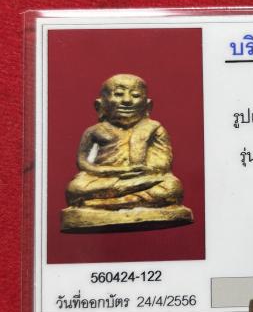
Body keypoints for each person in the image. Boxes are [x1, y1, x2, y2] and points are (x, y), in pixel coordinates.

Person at [62, 74, 192, 229]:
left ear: (148, 105)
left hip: (142, 177)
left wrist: (143, 171)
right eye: (118, 94)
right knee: (76, 187)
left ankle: (101, 203)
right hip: (106, 178)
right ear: (100, 105)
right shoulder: (94, 131)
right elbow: (83, 162)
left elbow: (163, 161)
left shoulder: (154, 128)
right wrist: (109, 171)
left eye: (135, 95)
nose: (127, 100)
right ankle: (125, 201)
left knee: (172, 187)